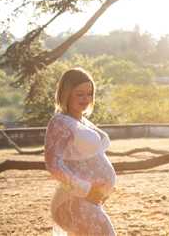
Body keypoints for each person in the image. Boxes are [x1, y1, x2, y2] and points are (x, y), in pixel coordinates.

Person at [44, 67, 116, 236]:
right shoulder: (60, 122)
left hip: (88, 199)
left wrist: (101, 189)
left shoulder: (82, 120)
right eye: (80, 94)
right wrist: (87, 188)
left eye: (89, 93)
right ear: (66, 94)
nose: (86, 99)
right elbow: (53, 165)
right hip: (74, 200)